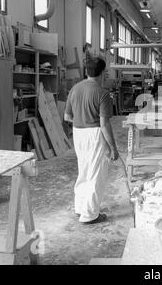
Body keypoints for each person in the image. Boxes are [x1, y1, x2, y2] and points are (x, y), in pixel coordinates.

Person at [64, 58, 119, 225]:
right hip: (94, 133)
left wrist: (82, 118)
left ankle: (80, 207)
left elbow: (67, 116)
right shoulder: (103, 93)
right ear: (102, 73)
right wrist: (113, 148)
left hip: (78, 132)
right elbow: (104, 124)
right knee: (96, 174)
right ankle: (90, 214)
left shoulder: (75, 88)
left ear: (86, 71)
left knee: (84, 170)